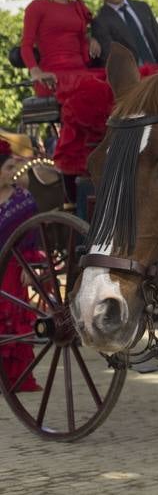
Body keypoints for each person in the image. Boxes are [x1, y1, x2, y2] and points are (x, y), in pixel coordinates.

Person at [21, 0, 113, 183]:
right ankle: (72, 166)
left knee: (114, 84)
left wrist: (91, 39)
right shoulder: (37, 7)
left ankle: (105, 160)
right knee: (91, 92)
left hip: (80, 71)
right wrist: (36, 71)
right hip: (52, 76)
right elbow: (26, 45)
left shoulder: (77, 7)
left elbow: (80, 39)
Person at [0, 135, 45, 393]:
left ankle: (14, 375)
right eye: (7, 168)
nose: (13, 172)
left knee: (11, 316)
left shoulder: (23, 200)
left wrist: (30, 269)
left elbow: (31, 239)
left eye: (13, 167)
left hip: (13, 269)